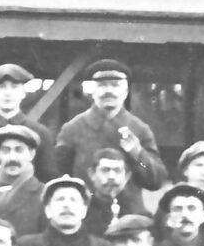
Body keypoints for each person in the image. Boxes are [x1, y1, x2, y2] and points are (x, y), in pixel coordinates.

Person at [53, 59, 166, 196]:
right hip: (87, 207)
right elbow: (58, 174)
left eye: (115, 85)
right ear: (92, 91)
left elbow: (156, 181)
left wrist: (138, 154)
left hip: (128, 208)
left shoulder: (140, 129)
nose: (109, 91)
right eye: (102, 85)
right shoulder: (72, 129)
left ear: (125, 92)